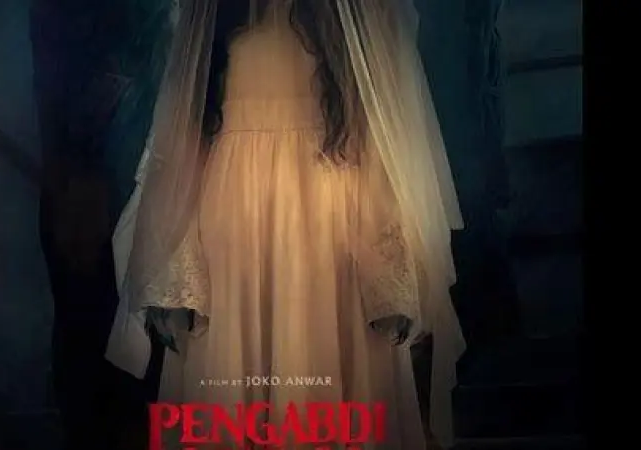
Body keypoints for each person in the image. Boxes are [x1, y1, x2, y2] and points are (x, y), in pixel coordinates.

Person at [106, 0, 465, 448]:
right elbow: (185, 127)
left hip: (324, 209)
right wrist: (177, 258)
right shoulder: (211, 10)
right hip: (238, 211)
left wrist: (387, 265)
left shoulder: (352, 12)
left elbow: (382, 125)